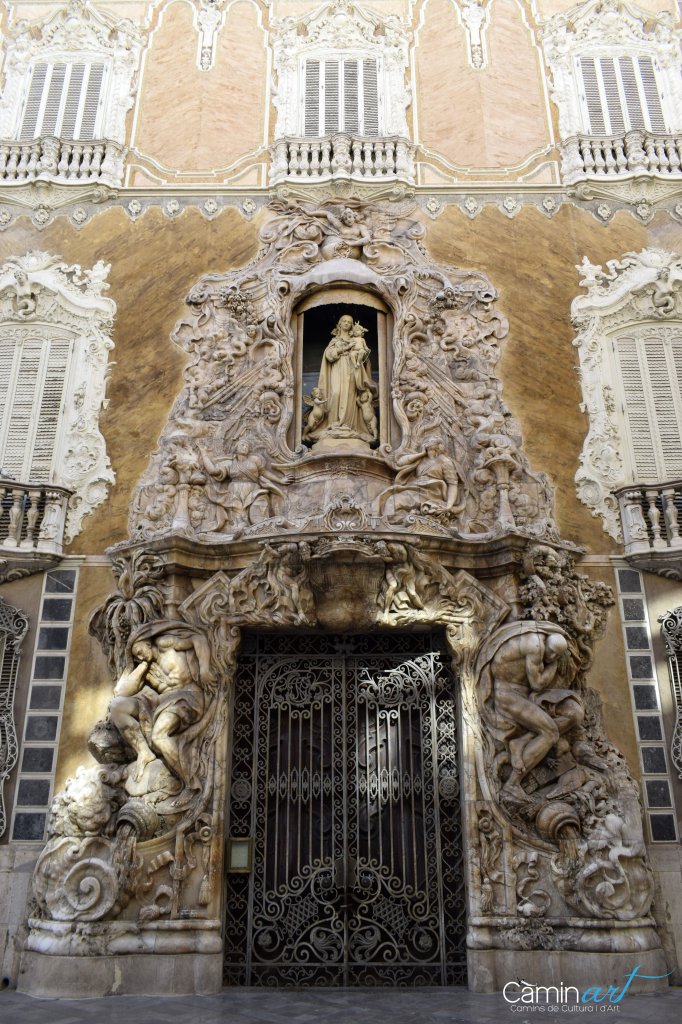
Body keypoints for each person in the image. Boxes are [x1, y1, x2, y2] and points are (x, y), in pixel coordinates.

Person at [109, 626, 209, 789]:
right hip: (161, 702)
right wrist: (141, 666)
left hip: (187, 696)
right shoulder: (146, 670)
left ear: (147, 643)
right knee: (117, 706)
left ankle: (191, 782)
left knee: (159, 737)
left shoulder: (165, 643)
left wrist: (204, 669)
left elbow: (198, 639)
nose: (139, 656)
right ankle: (144, 751)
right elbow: (120, 692)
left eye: (140, 651)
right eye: (136, 656)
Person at [312, 314, 376, 441]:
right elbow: (329, 356)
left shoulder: (357, 339)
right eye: (344, 321)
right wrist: (343, 349)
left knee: (349, 395)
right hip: (337, 367)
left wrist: (361, 357)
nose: (347, 323)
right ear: (339, 324)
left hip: (352, 368)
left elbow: (364, 356)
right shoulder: (334, 341)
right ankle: (333, 424)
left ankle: (348, 426)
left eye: (349, 322)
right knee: (335, 393)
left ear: (352, 325)